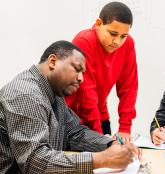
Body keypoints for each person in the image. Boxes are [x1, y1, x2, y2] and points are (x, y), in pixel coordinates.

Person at [0, 40, 141, 173]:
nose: (81, 78)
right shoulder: (26, 93)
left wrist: (110, 144)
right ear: (53, 61)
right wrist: (102, 159)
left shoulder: (55, 93)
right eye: (77, 69)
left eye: (83, 73)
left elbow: (74, 132)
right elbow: (34, 161)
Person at [65, 1, 138, 142]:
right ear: (99, 24)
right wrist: (99, 136)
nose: (117, 41)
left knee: (112, 159)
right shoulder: (84, 40)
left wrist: (125, 128)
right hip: (72, 118)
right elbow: (86, 91)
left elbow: (129, 87)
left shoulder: (128, 44)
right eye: (113, 34)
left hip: (99, 115)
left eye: (123, 36)